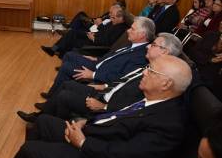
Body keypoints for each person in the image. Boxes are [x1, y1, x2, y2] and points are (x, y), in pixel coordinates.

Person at [10, 55, 192, 158]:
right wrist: (85, 124)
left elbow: (126, 157)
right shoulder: (150, 98)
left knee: (29, 151)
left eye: (151, 71)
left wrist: (82, 143)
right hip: (93, 134)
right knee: (43, 122)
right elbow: (114, 116)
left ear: (166, 84)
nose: (144, 73)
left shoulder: (169, 123)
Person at [17, 33, 182, 122]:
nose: (150, 45)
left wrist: (103, 105)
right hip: (105, 90)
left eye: (154, 45)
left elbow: (133, 102)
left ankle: (45, 120)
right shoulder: (147, 65)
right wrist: (102, 86)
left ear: (164, 52)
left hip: (105, 101)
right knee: (67, 84)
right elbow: (122, 81)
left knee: (65, 93)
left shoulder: (154, 74)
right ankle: (43, 116)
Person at [41, 5, 129, 57]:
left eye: (112, 16)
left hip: (97, 45)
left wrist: (95, 36)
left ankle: (62, 56)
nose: (110, 17)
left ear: (120, 17)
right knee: (72, 33)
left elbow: (108, 42)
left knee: (73, 40)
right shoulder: (114, 22)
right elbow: (104, 33)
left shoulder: (121, 28)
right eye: (110, 14)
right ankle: (54, 49)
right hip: (95, 37)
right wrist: (94, 34)